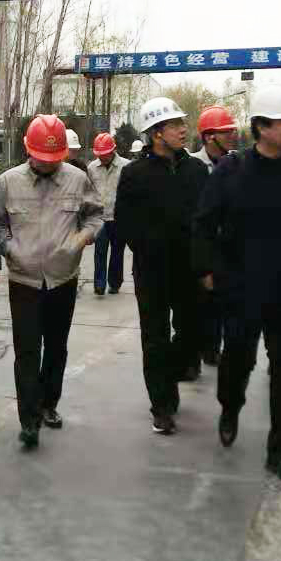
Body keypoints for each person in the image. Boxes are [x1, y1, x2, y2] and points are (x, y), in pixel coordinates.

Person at [192, 82, 281, 485]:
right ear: (262, 126)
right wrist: (208, 271)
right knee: (237, 361)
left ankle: (280, 451)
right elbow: (204, 224)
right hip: (241, 289)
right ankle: (229, 407)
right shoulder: (232, 170)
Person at [0, 115, 103, 449]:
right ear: (28, 150)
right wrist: (9, 248)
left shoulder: (77, 179)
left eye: (54, 159)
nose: (48, 164)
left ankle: (48, 403)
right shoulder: (8, 182)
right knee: (27, 350)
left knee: (56, 347)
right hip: (24, 280)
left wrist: (80, 240)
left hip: (62, 278)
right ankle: (29, 420)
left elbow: (95, 215)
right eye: (42, 158)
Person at [114, 97, 209, 435]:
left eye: (183, 123)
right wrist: (147, 248)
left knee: (193, 333)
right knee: (154, 339)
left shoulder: (196, 171)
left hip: (189, 271)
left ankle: (170, 375)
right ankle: (162, 406)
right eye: (175, 125)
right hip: (152, 272)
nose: (184, 129)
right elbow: (124, 222)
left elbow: (206, 219)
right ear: (156, 133)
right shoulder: (134, 174)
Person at [190, 105, 240, 367]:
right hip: (200, 246)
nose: (233, 135)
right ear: (209, 137)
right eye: (226, 132)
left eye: (232, 130)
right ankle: (193, 353)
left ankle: (212, 348)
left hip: (227, 249)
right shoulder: (192, 166)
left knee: (222, 303)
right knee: (196, 304)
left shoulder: (236, 166)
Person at [85, 132, 129, 296]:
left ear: (113, 151)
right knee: (100, 251)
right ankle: (99, 284)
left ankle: (115, 283)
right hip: (100, 218)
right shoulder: (92, 168)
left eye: (105, 154)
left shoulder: (126, 167)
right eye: (99, 155)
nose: (102, 157)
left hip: (119, 218)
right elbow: (88, 192)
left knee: (117, 252)